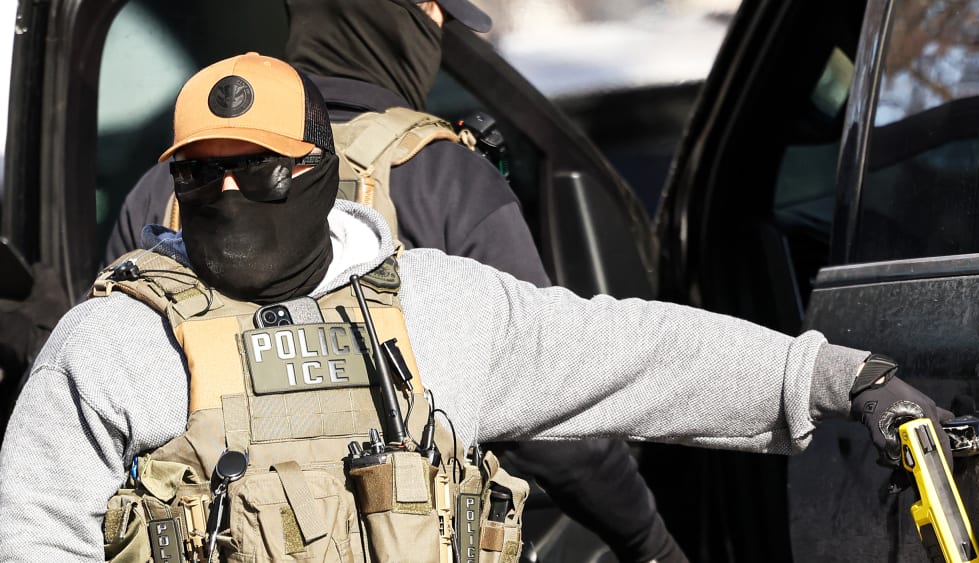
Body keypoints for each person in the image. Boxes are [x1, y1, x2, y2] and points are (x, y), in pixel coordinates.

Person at [0, 51, 953, 562]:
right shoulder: (115, 343)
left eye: (253, 167)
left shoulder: (434, 308)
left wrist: (840, 375)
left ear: (321, 175)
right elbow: (34, 534)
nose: (227, 193)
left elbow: (640, 354)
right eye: (199, 174)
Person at [102, 1, 679, 561]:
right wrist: (648, 541)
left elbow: (108, 397)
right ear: (422, 14)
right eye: (438, 15)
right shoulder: (445, 176)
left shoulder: (174, 188)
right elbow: (549, 411)